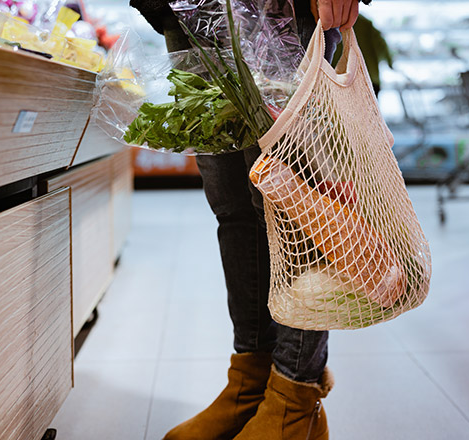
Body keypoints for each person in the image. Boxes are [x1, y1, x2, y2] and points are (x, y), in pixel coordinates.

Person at [129, 0, 365, 438]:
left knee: (292, 204)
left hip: (283, 5)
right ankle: (251, 386)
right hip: (186, 8)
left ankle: (294, 396)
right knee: (231, 202)